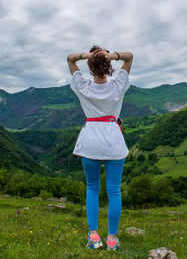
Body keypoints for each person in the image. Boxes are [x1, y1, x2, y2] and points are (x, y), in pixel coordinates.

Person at [67, 45, 133, 251]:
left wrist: (89, 56)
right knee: (114, 192)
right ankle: (112, 239)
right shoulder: (118, 86)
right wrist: (109, 56)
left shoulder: (83, 87)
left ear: (90, 66)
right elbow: (129, 57)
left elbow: (70, 59)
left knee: (92, 189)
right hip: (113, 142)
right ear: (108, 65)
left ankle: (94, 237)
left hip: (90, 143)